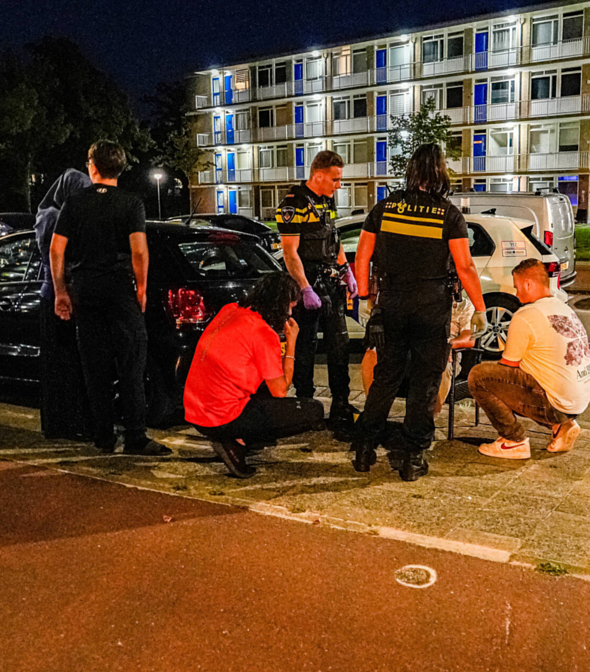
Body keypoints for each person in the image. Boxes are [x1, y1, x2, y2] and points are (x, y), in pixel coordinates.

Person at [351, 144, 487, 481]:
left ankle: (365, 448)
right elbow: (465, 266)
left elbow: (362, 256)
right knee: (425, 385)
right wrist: (480, 308)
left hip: (392, 303)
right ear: (440, 172)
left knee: (385, 377)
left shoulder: (385, 208)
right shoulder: (448, 214)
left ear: (411, 170)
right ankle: (413, 457)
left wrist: (368, 297)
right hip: (430, 306)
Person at [50, 140, 171, 456]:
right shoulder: (131, 203)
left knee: (95, 366)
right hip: (119, 288)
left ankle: (103, 436)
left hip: (85, 288)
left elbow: (56, 249)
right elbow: (138, 250)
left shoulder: (73, 202)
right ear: (119, 168)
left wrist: (61, 292)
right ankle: (135, 436)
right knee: (132, 362)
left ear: (92, 166)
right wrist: (141, 288)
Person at [184, 272, 325, 479]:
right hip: (219, 418)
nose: (290, 314)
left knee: (262, 390)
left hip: (195, 411)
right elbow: (280, 390)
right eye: (291, 307)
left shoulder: (230, 310)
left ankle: (234, 434)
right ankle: (234, 441)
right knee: (314, 410)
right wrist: (292, 342)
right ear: (280, 305)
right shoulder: (262, 333)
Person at [469, 258, 590, 460]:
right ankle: (562, 426)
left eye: (518, 287)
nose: (517, 294)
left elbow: (508, 366)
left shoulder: (526, 315)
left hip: (556, 404)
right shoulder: (563, 308)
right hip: (578, 400)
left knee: (480, 376)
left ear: (528, 284)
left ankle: (513, 441)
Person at [276, 151, 358, 437]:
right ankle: (304, 405)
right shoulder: (293, 203)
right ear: (318, 174)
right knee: (305, 346)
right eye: (335, 179)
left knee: (339, 346)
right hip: (306, 283)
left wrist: (346, 270)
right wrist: (304, 287)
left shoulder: (326, 201)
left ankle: (341, 405)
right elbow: (289, 251)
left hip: (329, 281)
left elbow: (333, 239)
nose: (339, 185)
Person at [35, 169, 93, 441]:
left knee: (62, 364)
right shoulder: (55, 220)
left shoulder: (46, 216)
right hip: (60, 297)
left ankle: (62, 423)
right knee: (66, 364)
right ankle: (68, 423)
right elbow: (60, 259)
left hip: (55, 296)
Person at [360, 293, 476, 418]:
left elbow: (469, 339)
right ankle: (374, 414)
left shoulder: (464, 306)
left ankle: (428, 418)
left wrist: (446, 345)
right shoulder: (420, 299)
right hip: (410, 348)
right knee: (372, 354)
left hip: (443, 351)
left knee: (439, 361)